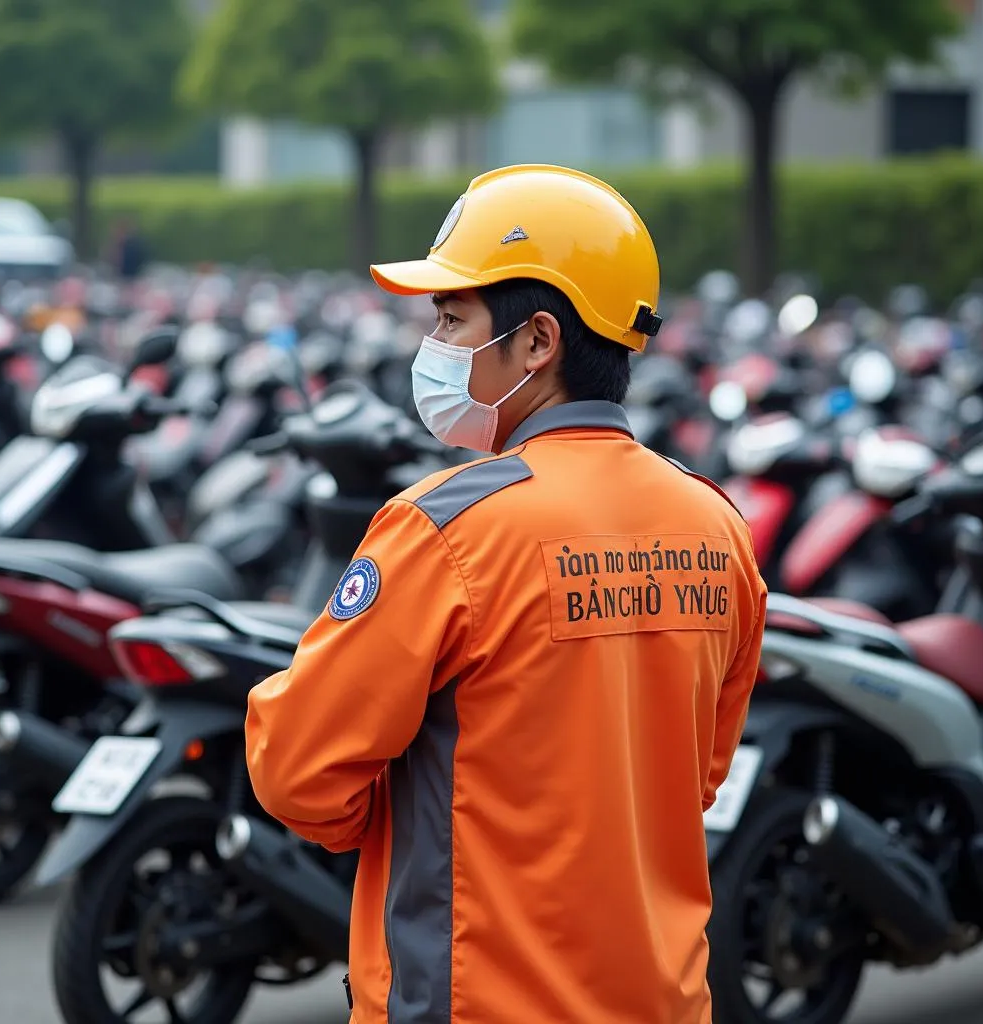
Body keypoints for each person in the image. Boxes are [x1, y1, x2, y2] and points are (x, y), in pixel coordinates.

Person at [245, 164, 768, 1023]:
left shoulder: (445, 528)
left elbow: (298, 772)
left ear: (537, 342)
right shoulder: (715, 525)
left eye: (453, 318)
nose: (434, 345)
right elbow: (694, 775)